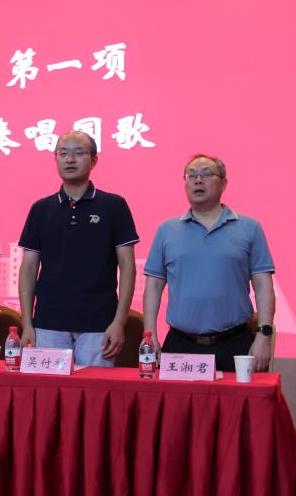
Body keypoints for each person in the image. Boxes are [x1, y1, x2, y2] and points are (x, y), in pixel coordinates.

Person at [142, 154, 276, 372]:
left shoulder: (250, 228)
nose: (198, 180)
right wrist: (149, 336)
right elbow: (153, 286)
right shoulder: (166, 231)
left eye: (206, 175)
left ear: (223, 183)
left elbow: (263, 286)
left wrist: (264, 335)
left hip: (234, 343)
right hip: (180, 344)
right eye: (191, 175)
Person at [18, 131, 139, 367]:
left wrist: (119, 322)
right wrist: (27, 324)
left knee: (94, 389)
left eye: (79, 153)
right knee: (49, 389)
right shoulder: (41, 209)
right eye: (63, 153)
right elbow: (29, 268)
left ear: (94, 160)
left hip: (99, 323)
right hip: (49, 323)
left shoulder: (113, 205)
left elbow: (128, 268)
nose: (70, 159)